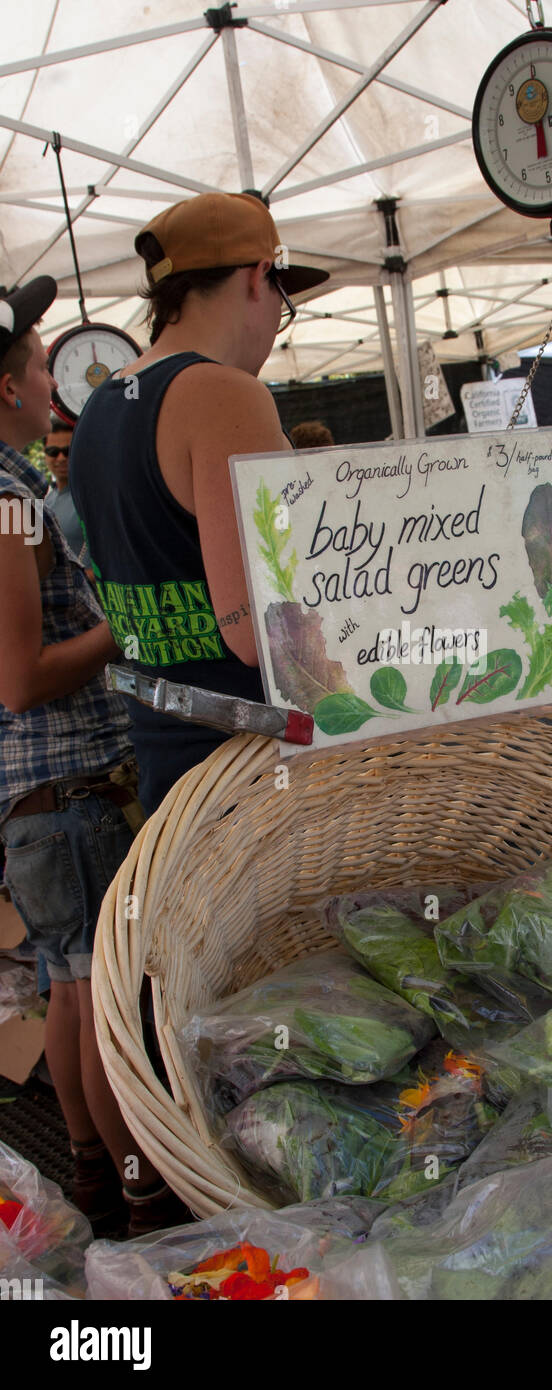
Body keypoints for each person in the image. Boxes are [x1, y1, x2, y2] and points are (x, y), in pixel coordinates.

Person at [0, 277, 184, 1235]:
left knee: (72, 990)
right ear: (9, 388)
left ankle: (100, 1188)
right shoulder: (6, 506)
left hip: (45, 800)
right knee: (94, 1000)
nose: (49, 378)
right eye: (38, 362)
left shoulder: (22, 497)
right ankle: (141, 1195)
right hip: (62, 789)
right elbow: (21, 676)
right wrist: (122, 630)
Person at [69, 192, 328, 815]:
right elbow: (260, 630)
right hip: (255, 779)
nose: (275, 322)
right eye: (282, 301)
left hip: (169, 773)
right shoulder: (223, 394)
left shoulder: (99, 409)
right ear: (258, 276)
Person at [43, 414, 91, 571]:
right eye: (53, 451)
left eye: (67, 451)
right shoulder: (45, 499)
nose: (61, 458)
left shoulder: (93, 498)